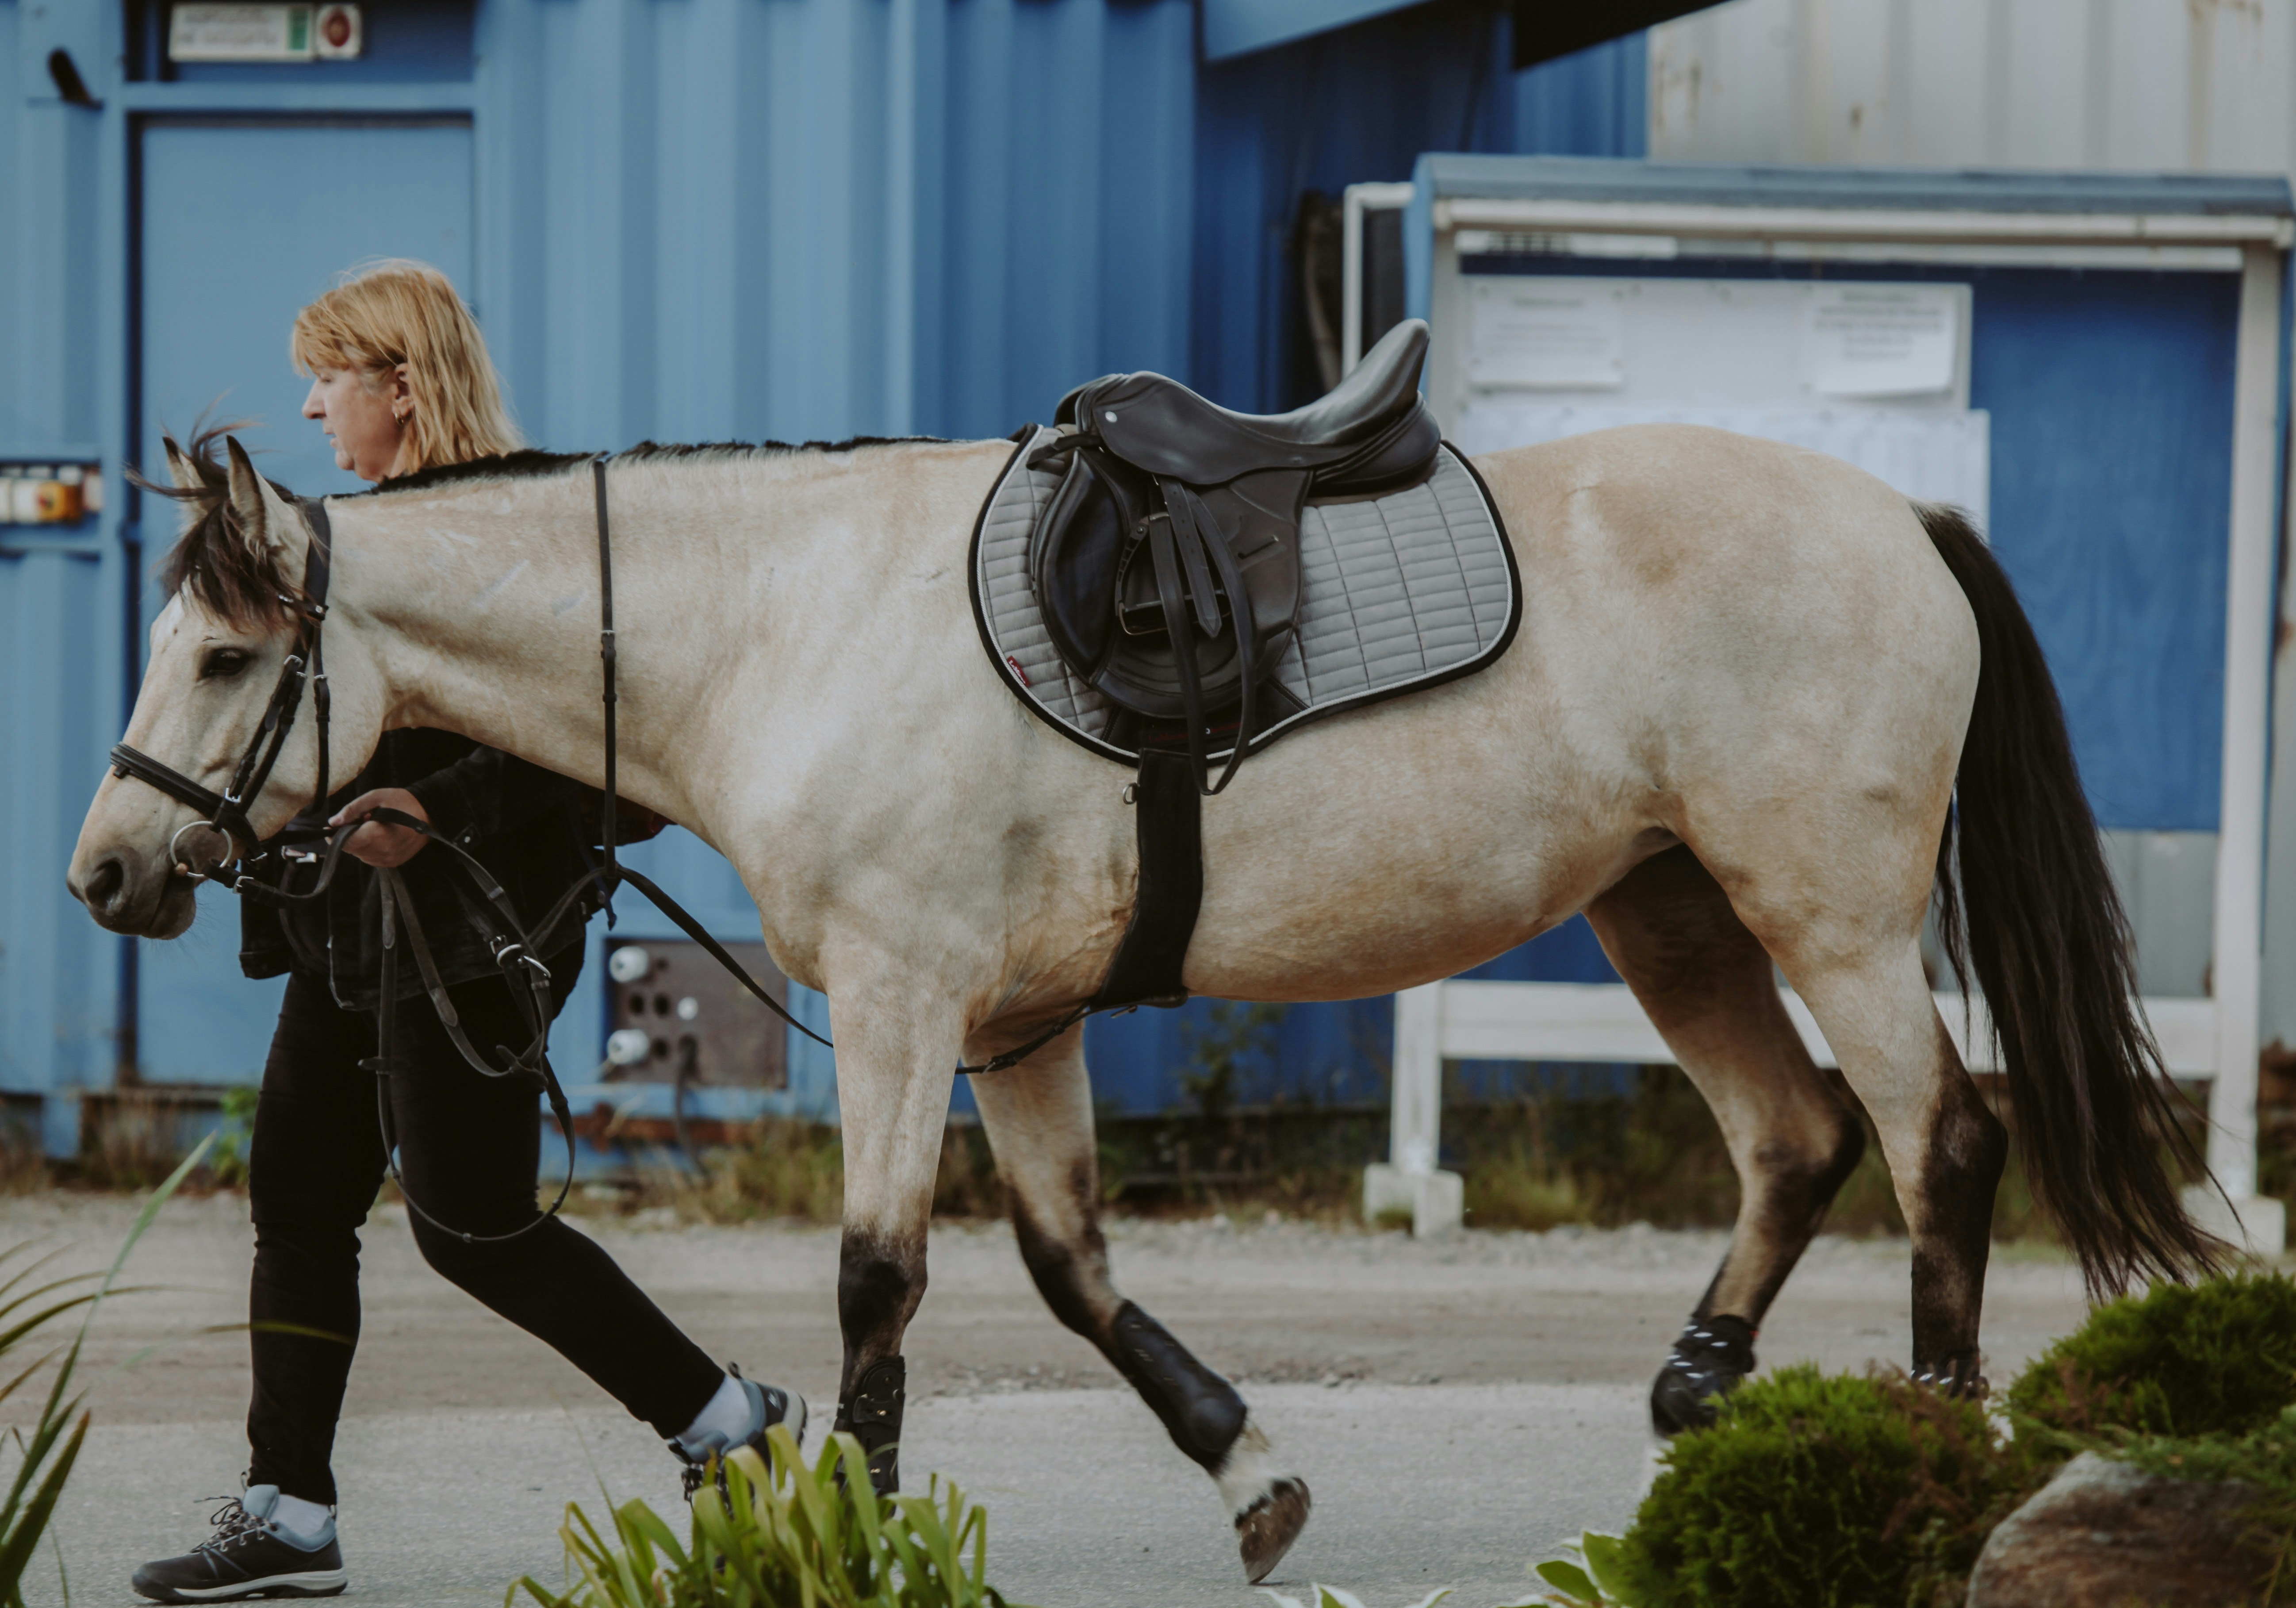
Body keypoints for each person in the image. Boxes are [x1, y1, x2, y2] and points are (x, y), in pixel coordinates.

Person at [132, 261, 801, 1605]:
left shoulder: (533, 535)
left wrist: (431, 810)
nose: (314, 409)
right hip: (341, 935)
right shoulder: (342, 541)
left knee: (473, 1225)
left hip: (480, 941)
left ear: (402, 382)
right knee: (297, 1205)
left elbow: (605, 754)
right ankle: (290, 1510)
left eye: (332, 378)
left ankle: (729, 1425)